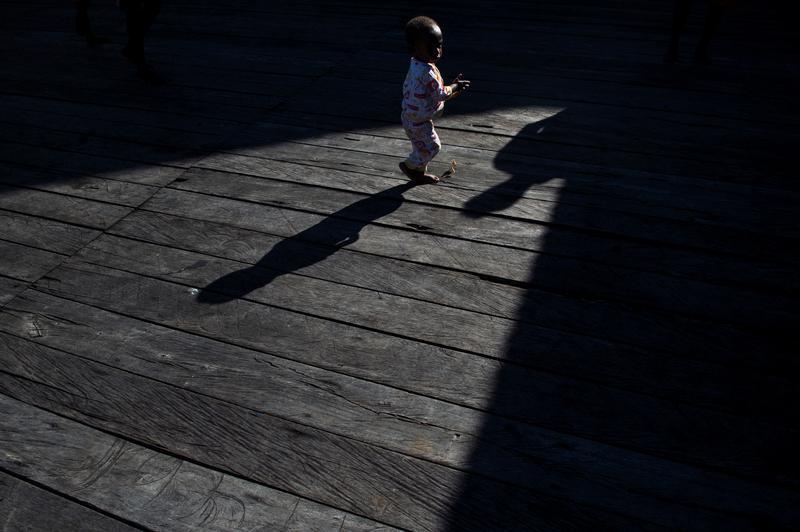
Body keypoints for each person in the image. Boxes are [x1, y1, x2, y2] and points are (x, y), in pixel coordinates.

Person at [399, 16, 470, 185]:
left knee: (421, 147)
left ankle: (418, 172)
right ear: (414, 50)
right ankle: (410, 166)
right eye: (431, 47)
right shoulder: (427, 72)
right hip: (419, 122)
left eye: (439, 45)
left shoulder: (416, 63)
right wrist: (454, 87)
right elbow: (440, 94)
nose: (437, 51)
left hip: (410, 117)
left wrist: (452, 90)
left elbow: (432, 92)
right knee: (432, 147)